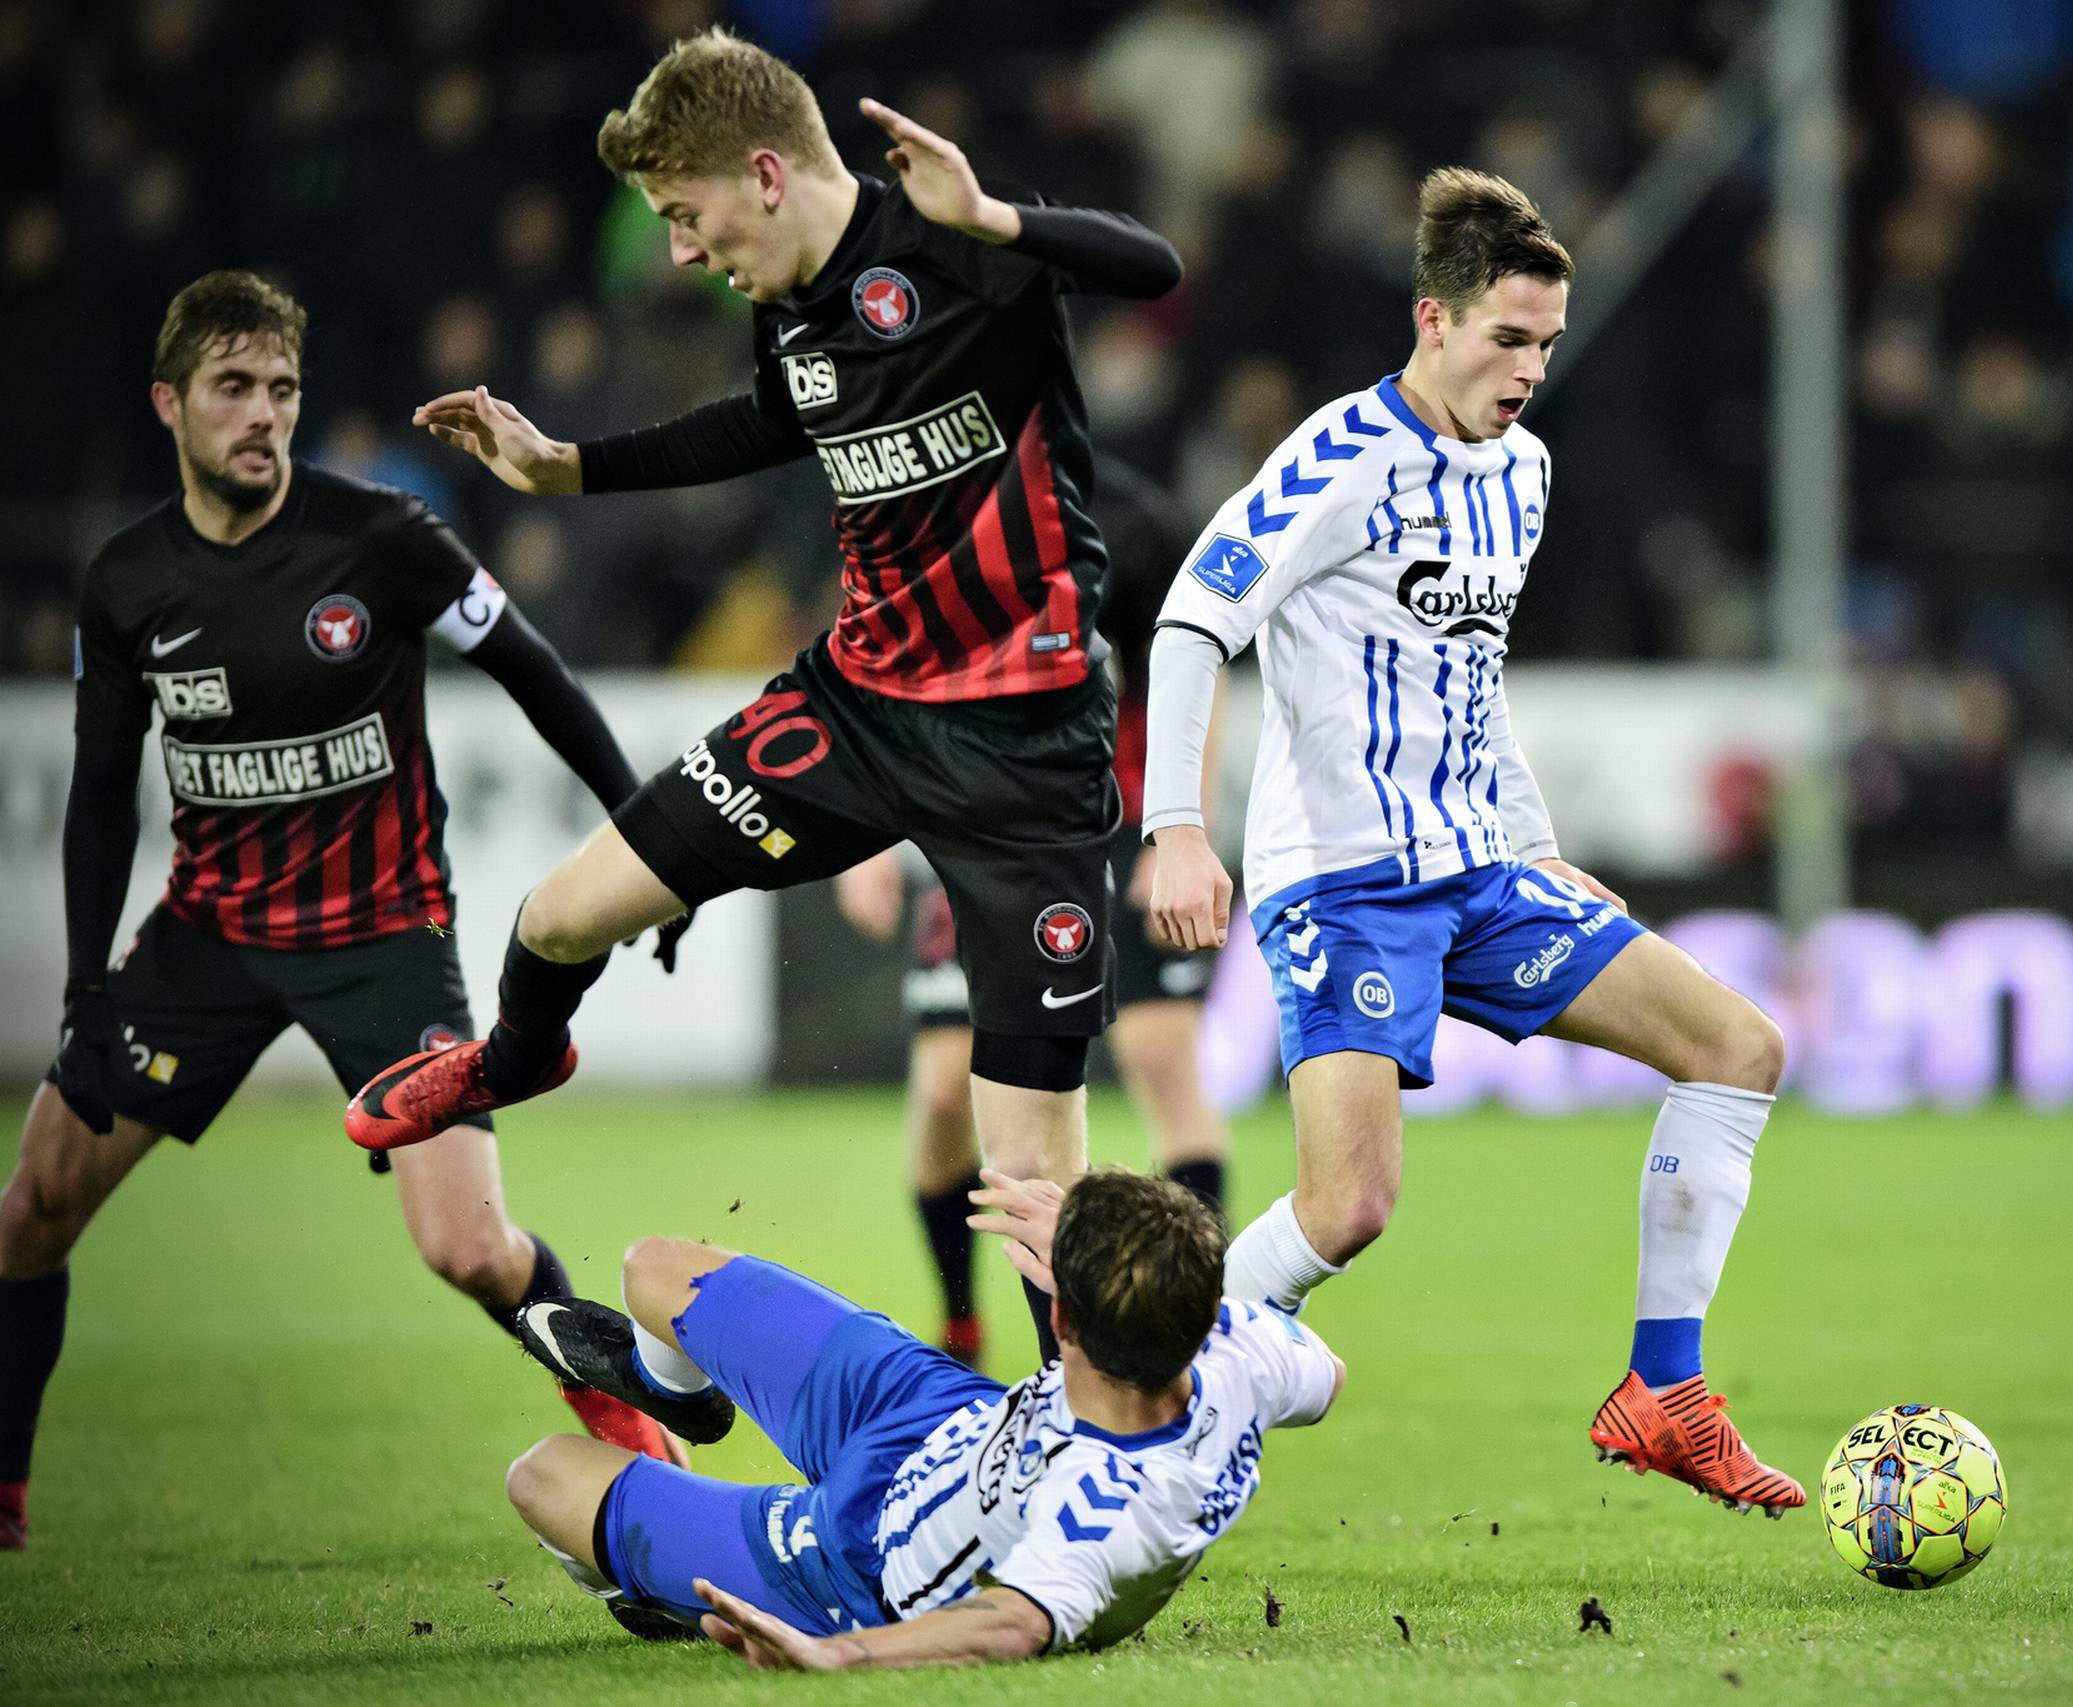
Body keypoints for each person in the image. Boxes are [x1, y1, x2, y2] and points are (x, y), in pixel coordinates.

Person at [346, 28, 1182, 1359]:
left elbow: (1156, 268)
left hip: (1027, 747)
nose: (680, 248)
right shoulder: (787, 297)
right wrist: (570, 468)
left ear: (764, 172)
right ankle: (516, 1059)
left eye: (686, 213)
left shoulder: (959, 244)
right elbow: (773, 417)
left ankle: (1088, 1440)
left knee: (1031, 1173)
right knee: (561, 915)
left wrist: (1003, 217)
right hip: (855, 708)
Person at [1142, 170, 1801, 1514]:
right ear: (1431, 319)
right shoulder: (1337, 459)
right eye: (1508, 338)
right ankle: (1132, 1363)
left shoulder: (1526, 472)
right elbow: (1190, 618)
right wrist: (1175, 828)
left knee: (1739, 1045)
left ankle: (1664, 1391)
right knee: (1350, 1206)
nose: (1529, 370)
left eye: (1547, 344)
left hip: (1485, 868)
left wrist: (1540, 845)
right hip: (1347, 880)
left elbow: (1471, 674)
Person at [0, 272, 689, 1551]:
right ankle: (2, 1484)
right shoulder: (128, 579)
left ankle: (635, 1440)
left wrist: (654, 848)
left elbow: (536, 676)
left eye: (281, 391)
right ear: (171, 404)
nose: (261, 415)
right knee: (30, 1208)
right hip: (205, 940)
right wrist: (86, 992)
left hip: (382, 936)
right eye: (233, 389)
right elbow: (100, 800)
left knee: (472, 1249)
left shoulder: (382, 537)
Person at [501, 1168, 1342, 1664]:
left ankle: (637, 1590)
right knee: (654, 1270)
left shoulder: (1110, 1500)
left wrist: (839, 1654)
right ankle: (679, 1399)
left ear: (1062, 1320)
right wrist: (1123, 1249)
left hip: (854, 1571)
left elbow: (1015, 1620)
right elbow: (1325, 1373)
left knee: (543, 1474)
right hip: (938, 1412)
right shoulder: (1241, 1346)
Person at [834, 454, 1232, 1366]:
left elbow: (1192, 680)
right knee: (942, 1091)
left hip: (1123, 821)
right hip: (986, 827)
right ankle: (962, 1322)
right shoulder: (940, 516)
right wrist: (863, 841)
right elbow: (877, 671)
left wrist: (1180, 826)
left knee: (1163, 1065)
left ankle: (1201, 1322)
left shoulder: (1141, 527)